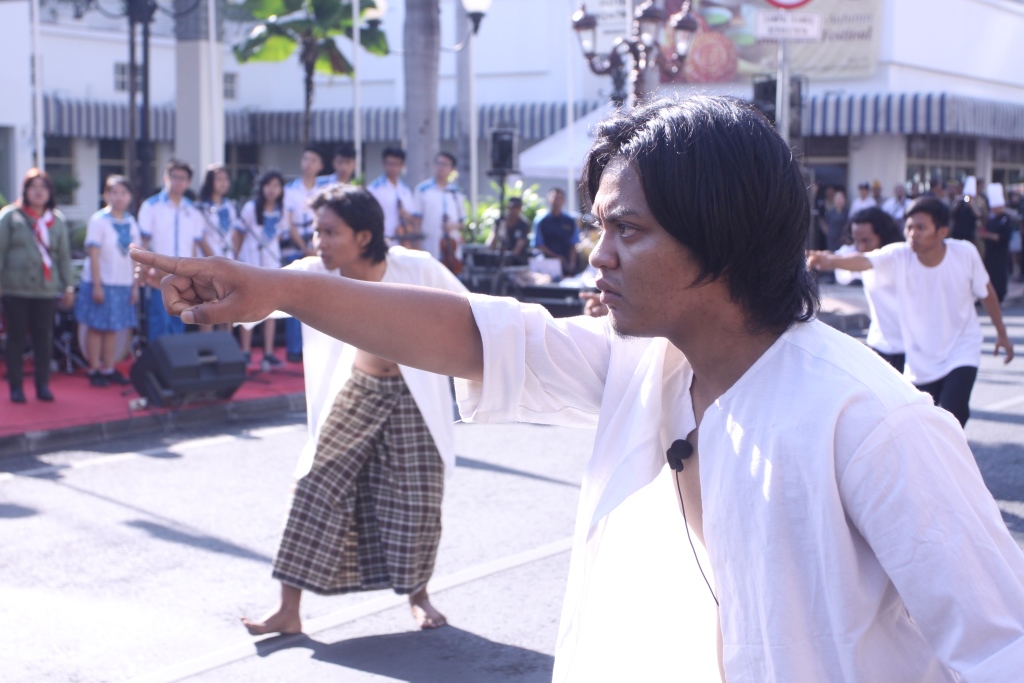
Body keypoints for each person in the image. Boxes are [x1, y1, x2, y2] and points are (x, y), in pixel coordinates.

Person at [134, 96, 1024, 682]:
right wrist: (278, 290)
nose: (597, 257)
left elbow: (999, 649)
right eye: (599, 227)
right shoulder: (649, 361)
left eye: (625, 229)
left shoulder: (871, 424)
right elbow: (473, 334)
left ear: (718, 235)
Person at [236, 184, 468, 635]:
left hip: (413, 395)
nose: (317, 242)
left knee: (419, 500)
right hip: (355, 390)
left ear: (363, 237)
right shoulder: (310, 275)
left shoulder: (415, 268)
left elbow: (474, 311)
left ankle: (419, 597)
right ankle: (288, 611)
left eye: (328, 232)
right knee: (312, 486)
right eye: (315, 231)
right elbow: (254, 300)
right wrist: (201, 294)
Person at [809, 197, 1013, 427]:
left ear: (942, 231)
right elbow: (862, 260)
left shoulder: (965, 253)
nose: (912, 233)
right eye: (909, 226)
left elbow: (986, 292)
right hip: (920, 360)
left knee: (951, 418)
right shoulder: (898, 255)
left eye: (921, 227)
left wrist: (1002, 334)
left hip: (961, 349)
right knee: (921, 426)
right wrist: (827, 260)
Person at [0, 168, 74, 403]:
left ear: (50, 192)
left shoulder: (57, 220)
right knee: (16, 337)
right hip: (15, 287)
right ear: (25, 190)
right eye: (34, 187)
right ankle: (16, 386)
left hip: (46, 288)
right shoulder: (10, 216)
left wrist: (69, 286)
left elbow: (63, 256)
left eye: (43, 187)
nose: (39, 192)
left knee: (44, 337)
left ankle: (43, 385)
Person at [75, 175, 140, 387]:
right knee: (96, 326)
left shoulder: (131, 221)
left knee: (114, 328)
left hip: (122, 283)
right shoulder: (99, 220)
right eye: (114, 193)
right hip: (101, 282)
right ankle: (94, 369)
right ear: (106, 195)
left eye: (123, 193)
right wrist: (97, 285)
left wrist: (135, 285)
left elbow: (136, 255)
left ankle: (109, 367)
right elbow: (93, 254)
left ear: (130, 196)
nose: (119, 197)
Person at [139, 159, 207, 341]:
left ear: (188, 182)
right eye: (174, 177)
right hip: (158, 276)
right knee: (159, 323)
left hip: (183, 276)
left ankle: (174, 368)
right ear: (165, 177)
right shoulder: (151, 206)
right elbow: (142, 242)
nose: (178, 181)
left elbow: (194, 245)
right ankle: (157, 366)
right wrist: (145, 270)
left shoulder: (192, 210)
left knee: (178, 323)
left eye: (183, 178)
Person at [835, 207, 907, 372]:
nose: (860, 247)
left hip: (911, 348)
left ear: (883, 236)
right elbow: (842, 275)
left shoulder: (901, 256)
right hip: (879, 344)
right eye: (856, 240)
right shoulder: (857, 257)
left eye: (866, 241)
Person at [234, 171, 290, 369]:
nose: (271, 190)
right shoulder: (250, 208)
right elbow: (238, 234)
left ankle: (268, 353)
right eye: (268, 185)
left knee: (271, 310)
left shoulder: (282, 210)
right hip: (250, 265)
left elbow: (281, 236)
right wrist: (236, 258)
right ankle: (245, 351)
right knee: (247, 309)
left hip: (272, 267)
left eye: (276, 185)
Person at [282, 147, 326, 362]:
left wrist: (317, 248)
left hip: (319, 251)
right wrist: (304, 247)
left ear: (320, 166)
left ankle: (314, 348)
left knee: (317, 302)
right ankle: (294, 348)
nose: (308, 163)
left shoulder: (323, 191)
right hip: (295, 250)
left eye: (313, 160)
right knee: (294, 301)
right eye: (305, 159)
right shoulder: (290, 190)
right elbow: (289, 224)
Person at [411, 152, 466, 262]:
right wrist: (416, 246)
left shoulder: (456, 193)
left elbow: (462, 223)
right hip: (429, 247)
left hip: (451, 251)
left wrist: (452, 226)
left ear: (452, 169)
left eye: (445, 165)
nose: (441, 168)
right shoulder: (422, 190)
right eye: (439, 163)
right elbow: (416, 219)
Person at [367, 147, 415, 245]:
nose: (392, 168)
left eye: (396, 164)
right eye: (389, 164)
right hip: (381, 241)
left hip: (402, 242)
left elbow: (412, 216)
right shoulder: (374, 189)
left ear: (402, 165)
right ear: (383, 164)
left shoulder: (405, 190)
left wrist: (406, 216)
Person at [532, 188, 580, 276]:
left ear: (563, 201)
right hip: (546, 262)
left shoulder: (570, 221)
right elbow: (539, 245)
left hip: (565, 263)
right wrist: (556, 257)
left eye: (559, 198)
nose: (556, 201)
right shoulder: (541, 220)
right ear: (548, 200)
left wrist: (571, 267)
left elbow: (573, 245)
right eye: (554, 198)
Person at [196, 165, 238, 260]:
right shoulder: (201, 207)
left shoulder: (230, 206)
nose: (223, 183)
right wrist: (213, 259)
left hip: (228, 259)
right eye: (219, 179)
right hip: (208, 260)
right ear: (209, 181)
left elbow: (233, 235)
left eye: (226, 179)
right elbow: (200, 238)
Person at [980, 182, 1013, 303]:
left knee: (999, 274)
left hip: (1001, 252)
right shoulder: (991, 219)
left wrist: (988, 235)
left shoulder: (1006, 219)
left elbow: (1003, 236)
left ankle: (1000, 295)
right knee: (990, 274)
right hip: (990, 251)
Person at [485, 196, 530, 265]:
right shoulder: (500, 221)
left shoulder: (523, 224)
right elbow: (492, 241)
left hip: (518, 262)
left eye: (516, 207)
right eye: (511, 207)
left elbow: (518, 248)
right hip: (499, 260)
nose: (514, 210)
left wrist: (509, 257)